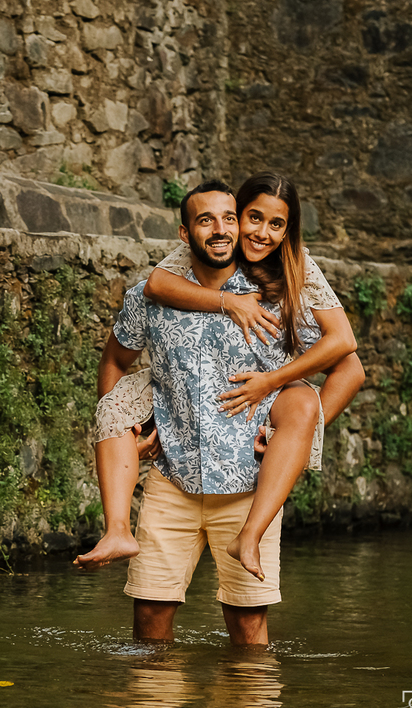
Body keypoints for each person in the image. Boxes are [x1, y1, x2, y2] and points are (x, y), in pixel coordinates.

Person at [75, 179, 300, 645]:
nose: (219, 230)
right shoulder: (148, 296)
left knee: (249, 625)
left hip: (247, 484)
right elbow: (115, 363)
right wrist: (135, 423)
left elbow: (341, 366)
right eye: (205, 220)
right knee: (149, 619)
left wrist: (292, 431)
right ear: (184, 234)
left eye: (229, 218)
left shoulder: (279, 295)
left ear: (239, 226)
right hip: (170, 481)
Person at [141, 172, 365, 581]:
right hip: (185, 455)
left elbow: (346, 347)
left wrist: (286, 411)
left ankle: (251, 534)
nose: (262, 233)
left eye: (276, 224)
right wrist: (230, 303)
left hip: (255, 432)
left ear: (288, 230)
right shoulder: (213, 246)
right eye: (253, 218)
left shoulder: (297, 266)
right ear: (234, 214)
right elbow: (156, 283)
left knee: (299, 404)